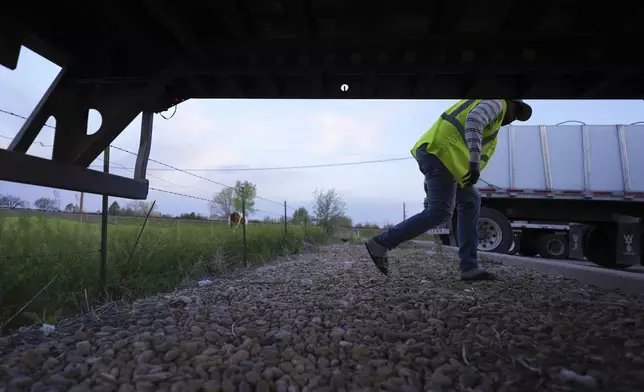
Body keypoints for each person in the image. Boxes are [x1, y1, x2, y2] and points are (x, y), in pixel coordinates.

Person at [365, 99, 533, 281]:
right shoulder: (497, 102)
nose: (514, 118)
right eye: (517, 111)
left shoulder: (493, 115)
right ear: (511, 101)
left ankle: (469, 267)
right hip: (443, 154)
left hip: (445, 159)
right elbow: (474, 119)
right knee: (440, 212)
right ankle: (382, 242)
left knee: (471, 200)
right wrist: (474, 162)